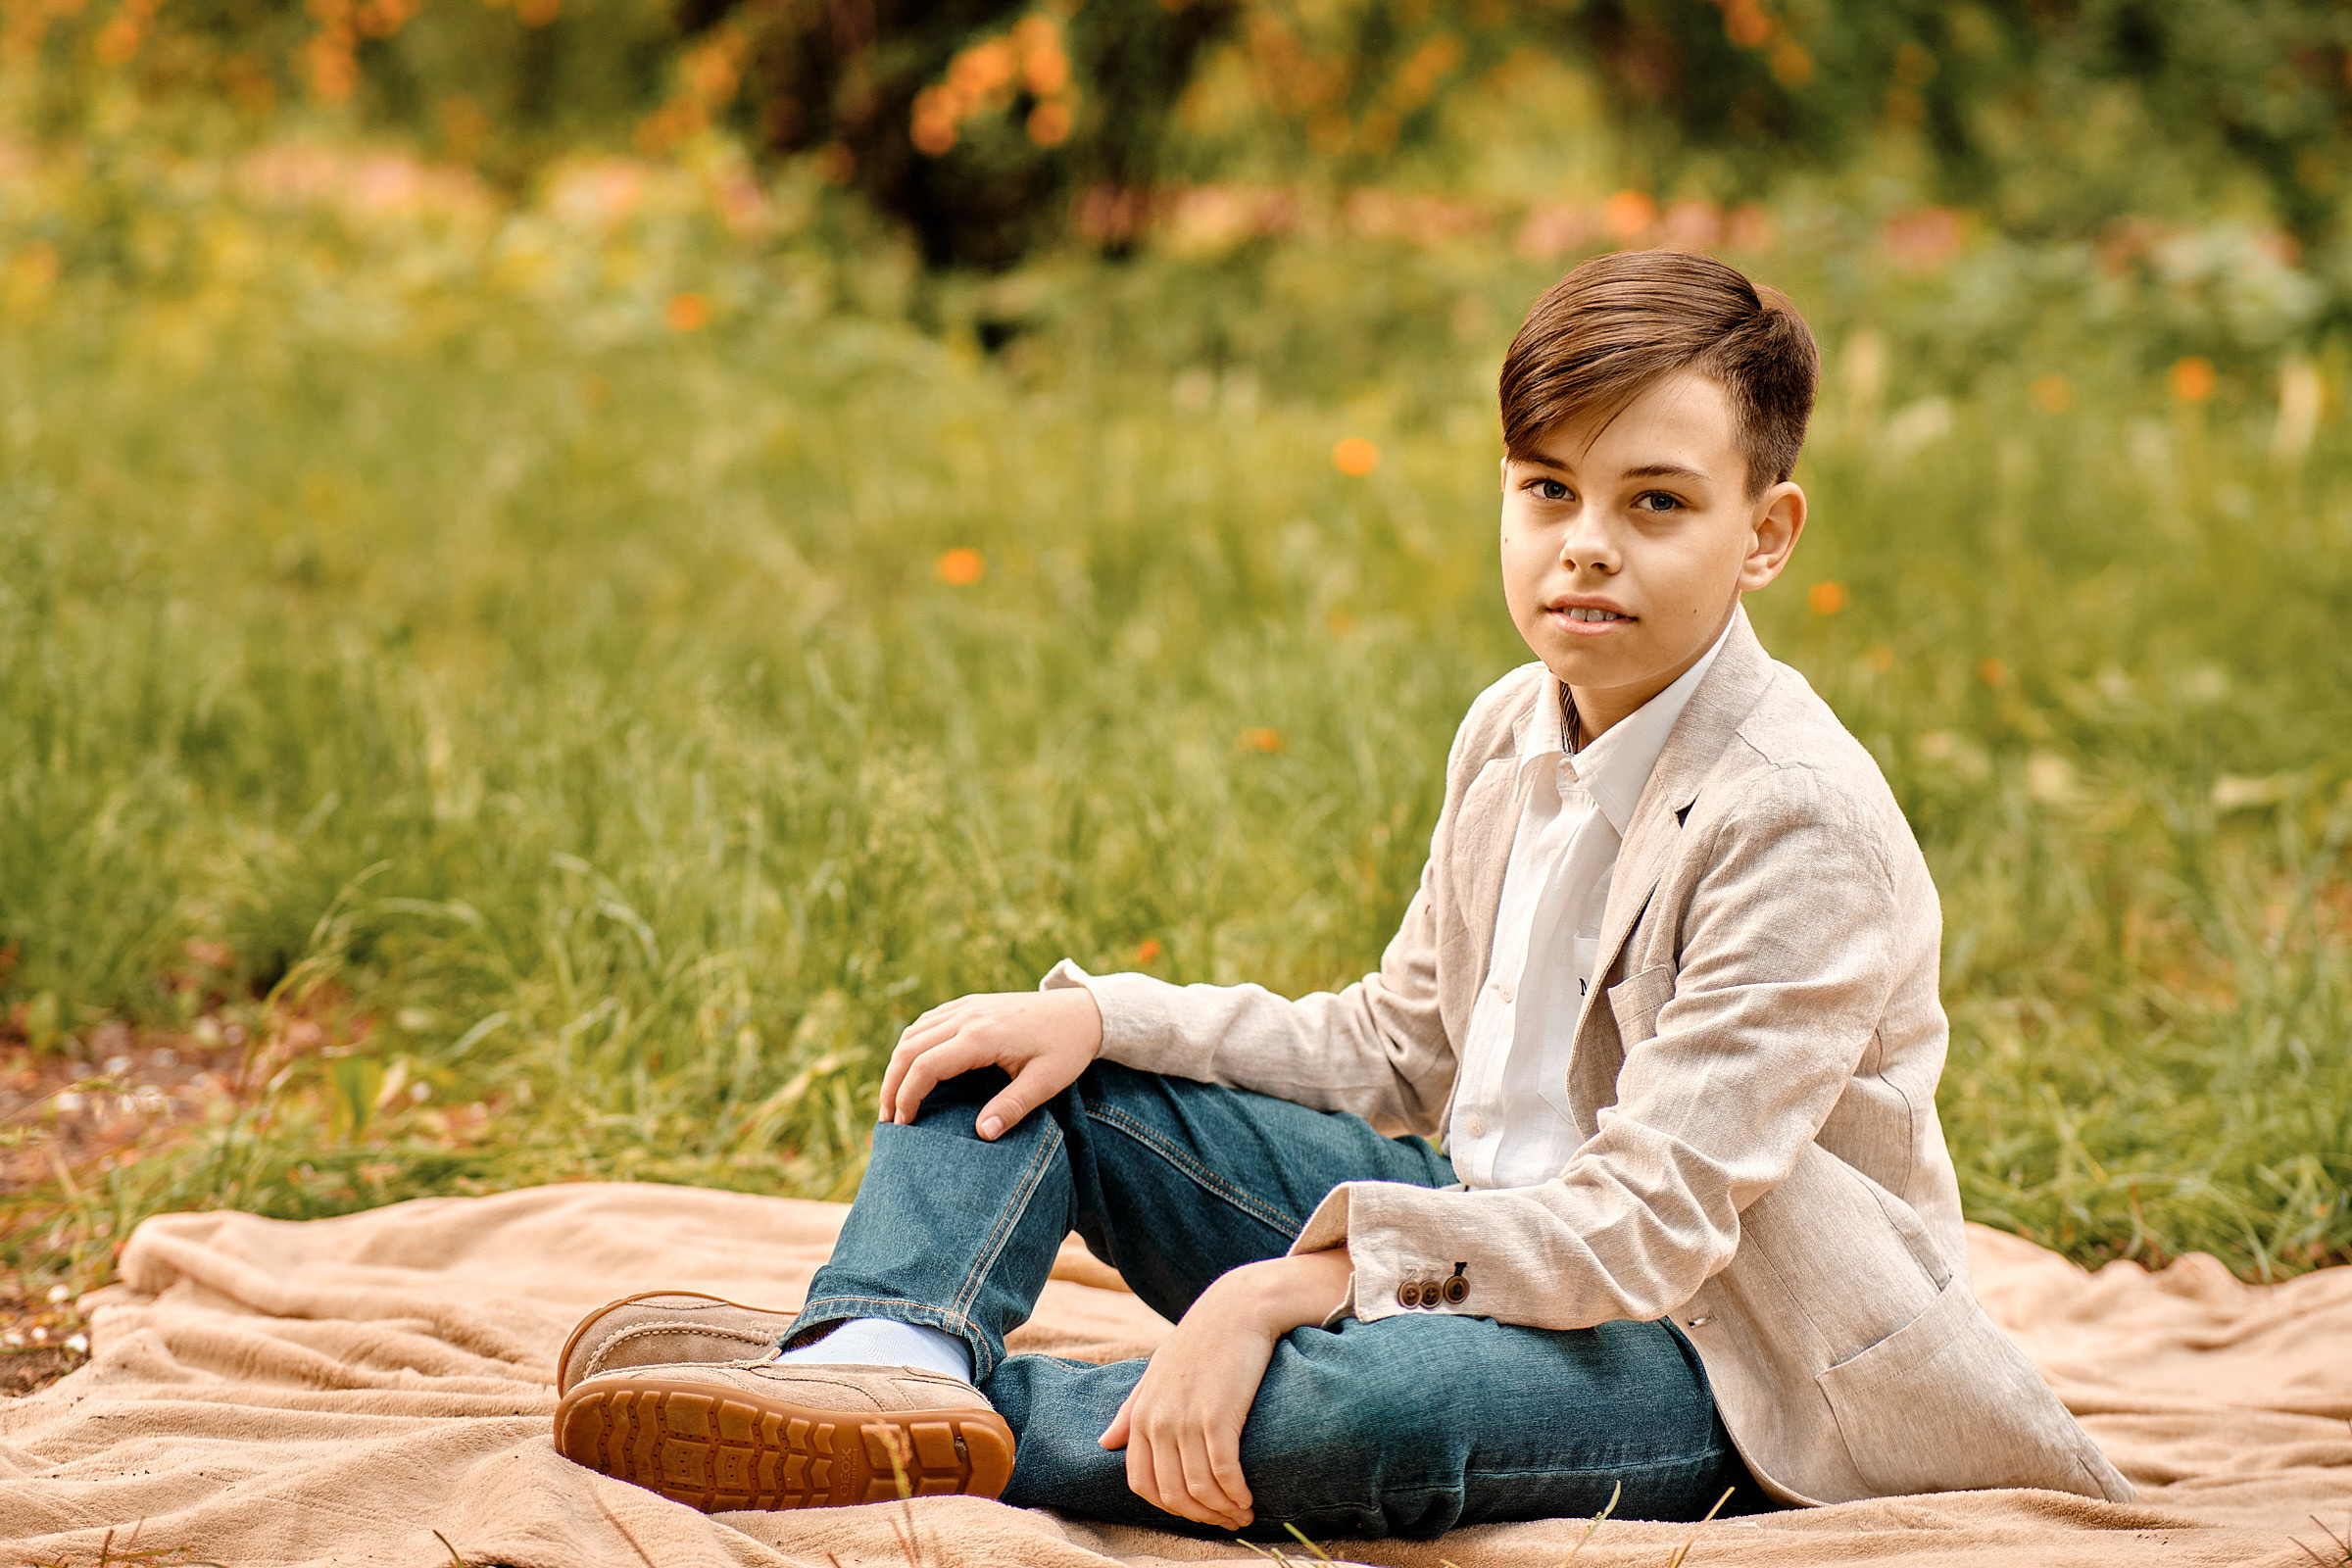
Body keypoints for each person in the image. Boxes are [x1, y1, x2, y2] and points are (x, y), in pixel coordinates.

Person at [547, 249, 2132, 1540]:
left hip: (1712, 1350)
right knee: (1022, 1074)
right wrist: (1102, 1014)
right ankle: (877, 1351)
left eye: (1656, 502)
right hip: (1479, 1224)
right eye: (1545, 491)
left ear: (1765, 534)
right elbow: (1397, 1042)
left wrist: (1287, 1290)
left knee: (1366, 1416)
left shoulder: (1799, 822)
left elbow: (1650, 1231)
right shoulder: (1513, 728)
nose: (1585, 547)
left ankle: (917, 1418)